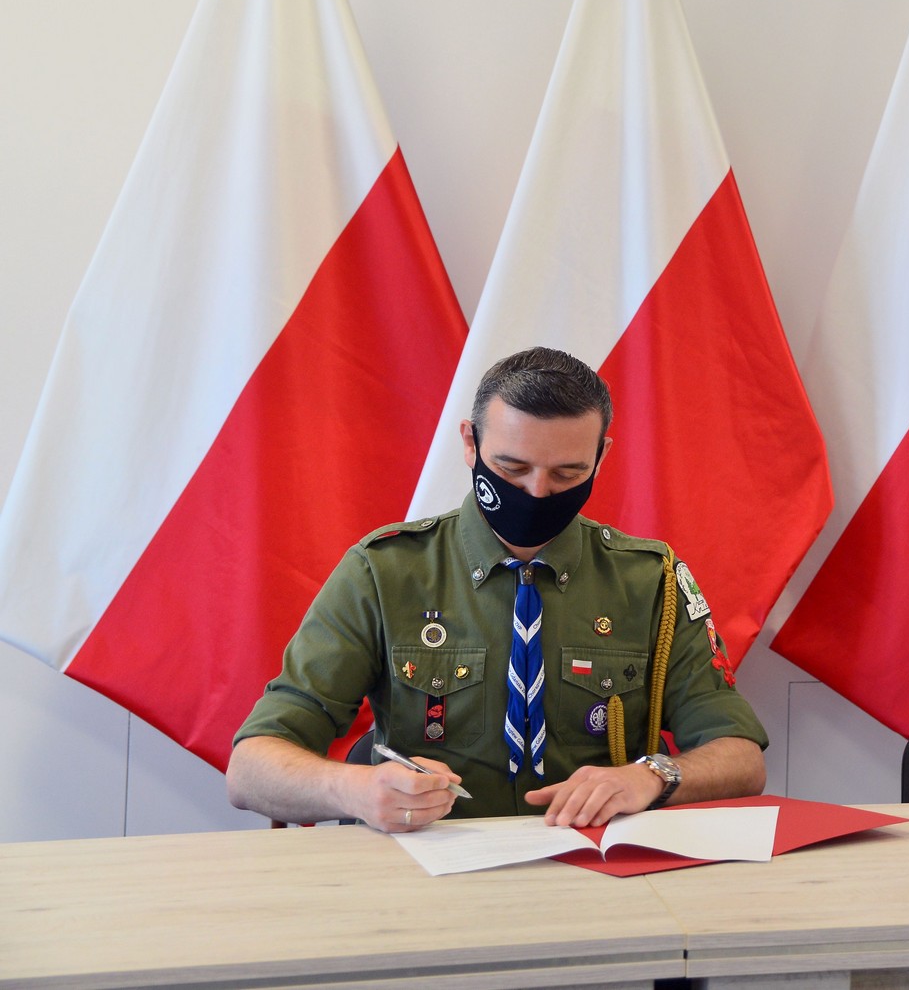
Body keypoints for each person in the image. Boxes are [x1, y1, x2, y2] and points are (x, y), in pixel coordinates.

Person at [225, 346, 767, 832]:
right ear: (471, 443)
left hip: (595, 868)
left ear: (601, 457)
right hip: (430, 871)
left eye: (567, 473)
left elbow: (741, 756)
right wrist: (357, 790)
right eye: (511, 467)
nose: (537, 491)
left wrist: (652, 776)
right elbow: (249, 770)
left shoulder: (650, 581)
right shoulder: (385, 571)